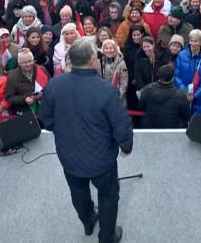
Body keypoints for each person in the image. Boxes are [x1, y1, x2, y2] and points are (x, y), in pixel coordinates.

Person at [40, 39, 132, 243]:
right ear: (92, 61)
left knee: (78, 191)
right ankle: (107, 237)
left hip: (69, 156)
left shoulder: (54, 84)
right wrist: (126, 146)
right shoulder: (106, 90)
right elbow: (120, 123)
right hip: (102, 159)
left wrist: (64, 133)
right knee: (108, 196)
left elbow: (46, 120)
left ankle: (88, 221)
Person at [173, 29, 201, 116]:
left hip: (200, 99)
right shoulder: (181, 55)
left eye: (196, 41)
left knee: (197, 123)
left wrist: (195, 95)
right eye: (191, 40)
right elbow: (177, 76)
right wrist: (185, 91)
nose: (193, 43)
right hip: (183, 95)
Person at [4, 49, 50, 116]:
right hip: (26, 112)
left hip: (44, 109)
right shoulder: (12, 77)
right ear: (19, 63)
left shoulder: (41, 70)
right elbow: (9, 98)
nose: (28, 64)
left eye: (30, 61)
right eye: (25, 62)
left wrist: (42, 94)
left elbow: (51, 87)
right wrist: (24, 99)